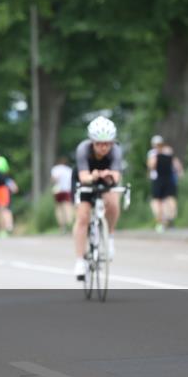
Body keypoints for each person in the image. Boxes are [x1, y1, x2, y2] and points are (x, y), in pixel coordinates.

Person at [72, 117, 125, 281]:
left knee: (114, 203)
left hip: (105, 178)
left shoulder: (116, 150)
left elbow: (116, 176)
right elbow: (83, 176)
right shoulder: (83, 149)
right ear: (92, 142)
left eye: (107, 144)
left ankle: (109, 236)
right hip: (85, 179)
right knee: (83, 217)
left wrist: (108, 177)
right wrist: (93, 176)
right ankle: (80, 260)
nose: (103, 148)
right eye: (99, 144)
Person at [147, 135, 183, 233]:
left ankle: (160, 222)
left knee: (157, 201)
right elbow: (176, 164)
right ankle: (170, 218)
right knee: (169, 198)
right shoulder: (168, 151)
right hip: (169, 178)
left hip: (158, 179)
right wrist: (179, 173)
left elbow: (151, 166)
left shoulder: (153, 154)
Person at [50, 155, 74, 233]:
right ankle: (69, 224)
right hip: (67, 190)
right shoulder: (69, 170)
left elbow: (54, 179)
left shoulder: (55, 169)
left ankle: (62, 226)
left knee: (59, 208)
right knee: (67, 207)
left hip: (58, 190)